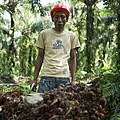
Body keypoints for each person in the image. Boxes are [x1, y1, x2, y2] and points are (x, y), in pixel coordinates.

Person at [31, 3, 80, 93]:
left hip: (64, 77)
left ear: (67, 19)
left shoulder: (71, 36)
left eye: (62, 17)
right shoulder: (44, 34)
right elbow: (40, 57)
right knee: (41, 104)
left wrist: (73, 80)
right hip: (46, 77)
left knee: (62, 105)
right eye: (56, 17)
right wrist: (35, 79)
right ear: (52, 19)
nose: (59, 20)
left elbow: (73, 58)